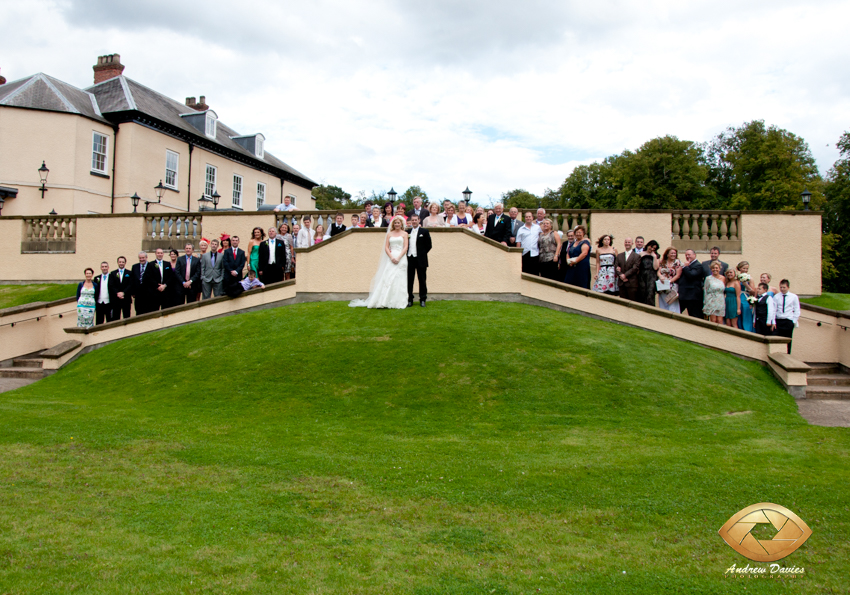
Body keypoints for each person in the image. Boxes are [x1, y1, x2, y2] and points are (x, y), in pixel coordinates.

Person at [349, 215, 409, 309]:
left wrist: (399, 257)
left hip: (401, 258)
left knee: (399, 279)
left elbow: (405, 247)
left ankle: (397, 301)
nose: (397, 224)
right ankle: (384, 300)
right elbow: (386, 247)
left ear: (401, 224)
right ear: (393, 224)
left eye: (398, 223)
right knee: (388, 278)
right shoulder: (389, 234)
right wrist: (392, 257)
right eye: (395, 223)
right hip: (391, 257)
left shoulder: (405, 234)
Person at [406, 214, 432, 307]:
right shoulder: (407, 232)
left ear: (419, 220)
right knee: (409, 280)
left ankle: (423, 299)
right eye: (412, 220)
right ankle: (409, 299)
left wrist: (422, 254)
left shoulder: (424, 231)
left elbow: (429, 245)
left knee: (422, 280)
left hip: (421, 260)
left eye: (415, 220)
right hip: (410, 259)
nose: (414, 221)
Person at [143, 248, 174, 312]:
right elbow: (149, 277)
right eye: (158, 253)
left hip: (165, 292)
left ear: (163, 254)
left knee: (166, 311)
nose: (159, 254)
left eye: (161, 253)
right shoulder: (150, 264)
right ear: (155, 254)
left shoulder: (167, 264)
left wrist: (164, 285)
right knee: (154, 311)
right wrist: (158, 286)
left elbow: (171, 276)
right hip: (155, 292)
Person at [774, 279, 800, 354]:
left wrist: (793, 321)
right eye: (781, 287)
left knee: (787, 339)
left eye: (784, 287)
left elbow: (796, 310)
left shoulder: (793, 297)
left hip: (788, 321)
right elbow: (774, 309)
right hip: (778, 320)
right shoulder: (776, 297)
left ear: (788, 287)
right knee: (777, 338)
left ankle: (787, 354)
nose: (782, 289)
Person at [678, 249, 706, 318]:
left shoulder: (698, 265)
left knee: (695, 315)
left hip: (693, 296)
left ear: (694, 255)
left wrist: (685, 267)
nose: (687, 256)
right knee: (677, 312)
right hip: (684, 295)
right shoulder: (686, 265)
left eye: (689, 255)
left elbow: (691, 275)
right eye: (686, 255)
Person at [614, 237, 640, 301]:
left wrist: (625, 275)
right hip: (621, 283)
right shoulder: (620, 256)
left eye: (629, 242)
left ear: (632, 243)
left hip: (631, 283)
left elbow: (635, 268)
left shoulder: (637, 256)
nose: (627, 243)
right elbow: (616, 267)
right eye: (626, 242)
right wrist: (620, 275)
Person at [657, 247, 682, 313]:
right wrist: (660, 276)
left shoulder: (677, 262)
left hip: (672, 287)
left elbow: (678, 275)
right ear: (667, 254)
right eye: (672, 253)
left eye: (675, 253)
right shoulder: (663, 262)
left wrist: (669, 281)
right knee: (663, 303)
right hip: (662, 286)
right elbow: (658, 271)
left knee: (671, 304)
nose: (673, 254)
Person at [636, 240, 660, 305]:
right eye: (651, 247)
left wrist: (654, 257)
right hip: (642, 275)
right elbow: (637, 265)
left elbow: (655, 267)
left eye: (654, 248)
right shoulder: (641, 253)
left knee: (650, 293)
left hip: (652, 276)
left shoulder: (656, 255)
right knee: (642, 292)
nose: (651, 249)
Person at [110, 256, 133, 320]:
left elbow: (130, 284)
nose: (121, 263)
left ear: (125, 263)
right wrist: (117, 293)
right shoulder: (113, 273)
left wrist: (123, 293)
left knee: (127, 316)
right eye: (120, 262)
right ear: (117, 262)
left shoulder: (129, 273)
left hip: (126, 298)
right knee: (116, 317)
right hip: (116, 299)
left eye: (123, 262)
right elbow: (112, 285)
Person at [736, 261, 755, 332]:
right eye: (744, 268)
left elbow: (753, 292)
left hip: (745, 297)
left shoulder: (750, 278)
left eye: (747, 269)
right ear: (740, 268)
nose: (745, 270)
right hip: (737, 297)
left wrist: (746, 284)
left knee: (746, 315)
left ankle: (747, 331)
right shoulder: (736, 277)